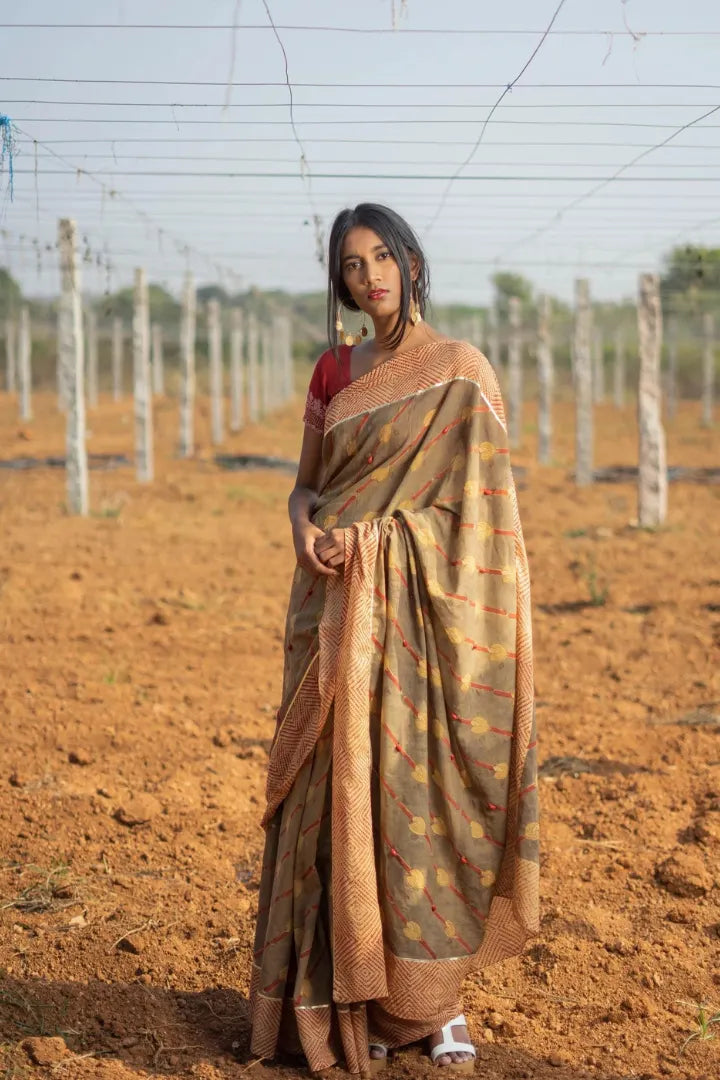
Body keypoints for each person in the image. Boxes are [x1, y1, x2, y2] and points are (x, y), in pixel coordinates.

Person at [249, 203, 538, 1077]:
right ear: (338, 281)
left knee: (418, 793)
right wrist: (305, 527)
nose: (368, 275)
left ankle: (433, 1005)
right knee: (336, 798)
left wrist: (379, 543)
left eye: (382, 256)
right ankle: (346, 995)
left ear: (411, 261)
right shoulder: (334, 371)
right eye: (350, 264)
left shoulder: (458, 370)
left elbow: (477, 517)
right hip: (333, 613)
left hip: (418, 620)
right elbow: (306, 489)